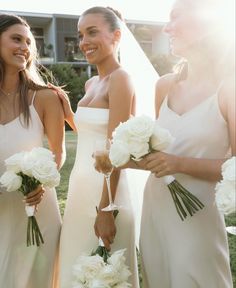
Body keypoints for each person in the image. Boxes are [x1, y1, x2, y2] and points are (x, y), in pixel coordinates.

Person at [138, 0, 235, 287]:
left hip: (199, 214)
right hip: (156, 209)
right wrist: (118, 156)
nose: (167, 27)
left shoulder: (229, 88)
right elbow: (159, 153)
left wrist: (180, 164)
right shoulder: (164, 86)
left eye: (175, 17)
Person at [58, 7, 139, 288]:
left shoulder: (121, 79)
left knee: (105, 275)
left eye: (92, 32)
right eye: (81, 35)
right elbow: (92, 137)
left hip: (106, 193)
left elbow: (117, 148)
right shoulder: (93, 83)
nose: (83, 42)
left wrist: (106, 210)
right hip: (80, 190)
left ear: (116, 36)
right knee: (74, 270)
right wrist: (70, 114)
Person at [0, 13, 65, 288]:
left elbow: (58, 153)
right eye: (16, 39)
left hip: (36, 208)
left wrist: (39, 181)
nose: (24, 47)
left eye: (29, 42)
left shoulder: (46, 97)